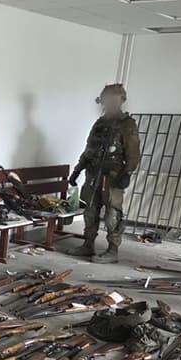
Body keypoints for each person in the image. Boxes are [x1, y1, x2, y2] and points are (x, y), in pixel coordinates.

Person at [65, 84, 141, 262]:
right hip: (93, 174)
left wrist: (127, 172)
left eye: (114, 98)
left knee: (112, 214)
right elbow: (89, 149)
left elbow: (133, 153)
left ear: (121, 100)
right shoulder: (100, 122)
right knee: (90, 210)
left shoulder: (127, 125)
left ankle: (112, 251)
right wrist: (77, 170)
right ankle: (87, 245)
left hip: (113, 176)